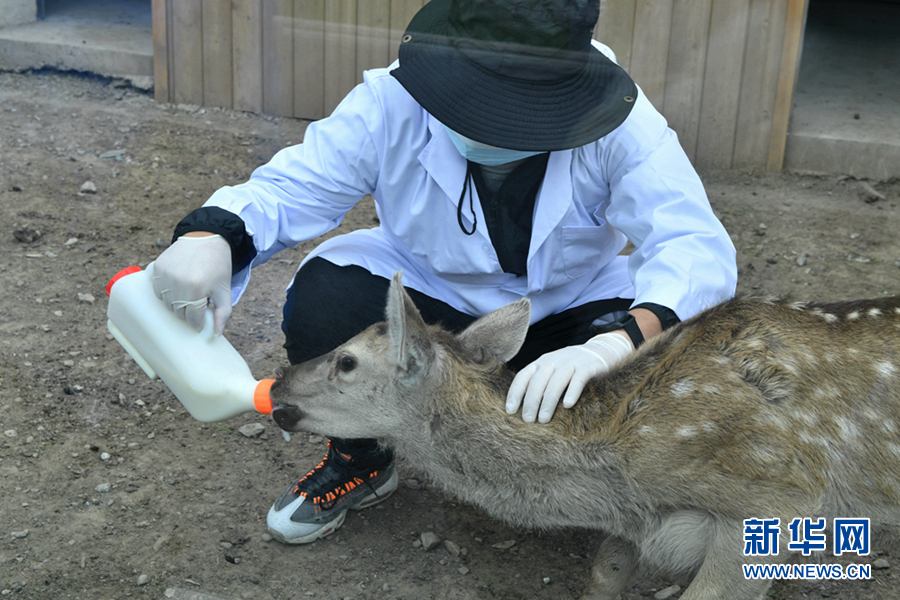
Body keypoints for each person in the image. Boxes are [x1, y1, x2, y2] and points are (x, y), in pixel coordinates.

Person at [151, 0, 737, 545]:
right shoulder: (391, 101)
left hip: (572, 304)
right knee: (326, 300)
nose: (492, 123)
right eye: (478, 100)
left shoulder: (617, 115)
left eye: (517, 110)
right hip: (430, 287)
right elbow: (290, 187)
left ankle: (596, 491)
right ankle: (361, 461)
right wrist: (211, 236)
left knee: (655, 366)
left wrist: (616, 342)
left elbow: (692, 243)